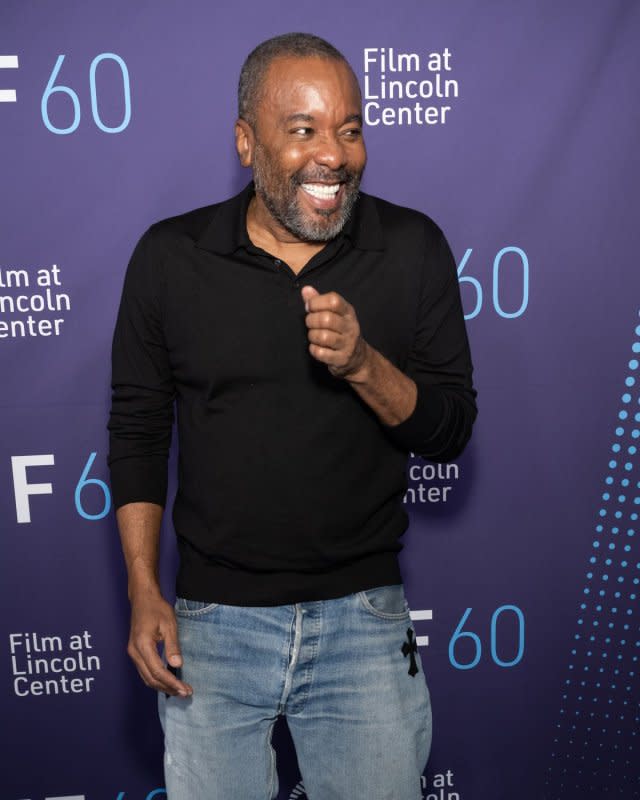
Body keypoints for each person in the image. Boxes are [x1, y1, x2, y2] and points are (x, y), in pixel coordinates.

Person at [108, 32, 476, 800]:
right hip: (212, 629)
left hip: (364, 624)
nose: (333, 155)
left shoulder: (411, 248)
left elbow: (449, 427)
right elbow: (139, 432)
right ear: (248, 141)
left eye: (349, 129)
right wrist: (144, 589)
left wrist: (364, 364)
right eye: (303, 130)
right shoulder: (171, 258)